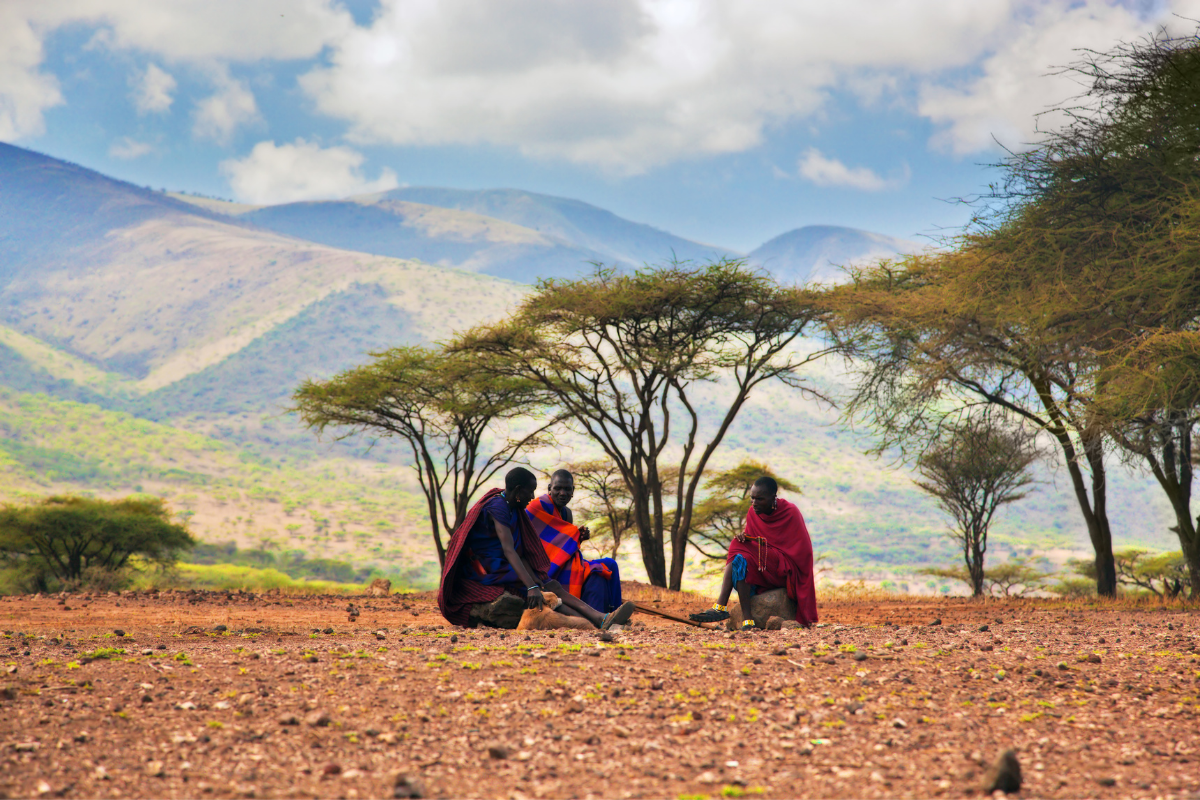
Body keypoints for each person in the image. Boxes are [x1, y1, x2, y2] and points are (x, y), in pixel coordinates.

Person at [437, 466, 635, 630]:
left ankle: (601, 618)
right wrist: (531, 585)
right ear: (517, 490)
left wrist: (537, 578)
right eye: (529, 491)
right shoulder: (498, 508)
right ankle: (598, 621)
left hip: (503, 564)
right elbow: (508, 549)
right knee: (543, 590)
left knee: (551, 585)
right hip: (487, 569)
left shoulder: (513, 508)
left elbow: (521, 551)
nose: (532, 496)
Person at [689, 476, 818, 630]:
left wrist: (755, 545)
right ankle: (748, 620)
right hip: (763, 564)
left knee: (737, 546)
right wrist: (746, 538)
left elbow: (803, 553)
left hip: (786, 568)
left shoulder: (791, 512)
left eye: (760, 499)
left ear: (773, 498)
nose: (754, 503)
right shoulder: (753, 512)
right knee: (741, 558)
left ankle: (720, 607)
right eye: (752, 498)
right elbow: (753, 542)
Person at [526, 469, 623, 614]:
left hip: (564, 562)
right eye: (558, 488)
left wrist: (579, 537)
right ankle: (607, 614)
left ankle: (615, 611)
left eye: (567, 489)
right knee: (598, 569)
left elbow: (564, 545)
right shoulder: (536, 508)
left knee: (611, 564)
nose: (562, 493)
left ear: (573, 491)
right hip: (545, 569)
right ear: (549, 489)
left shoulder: (566, 513)